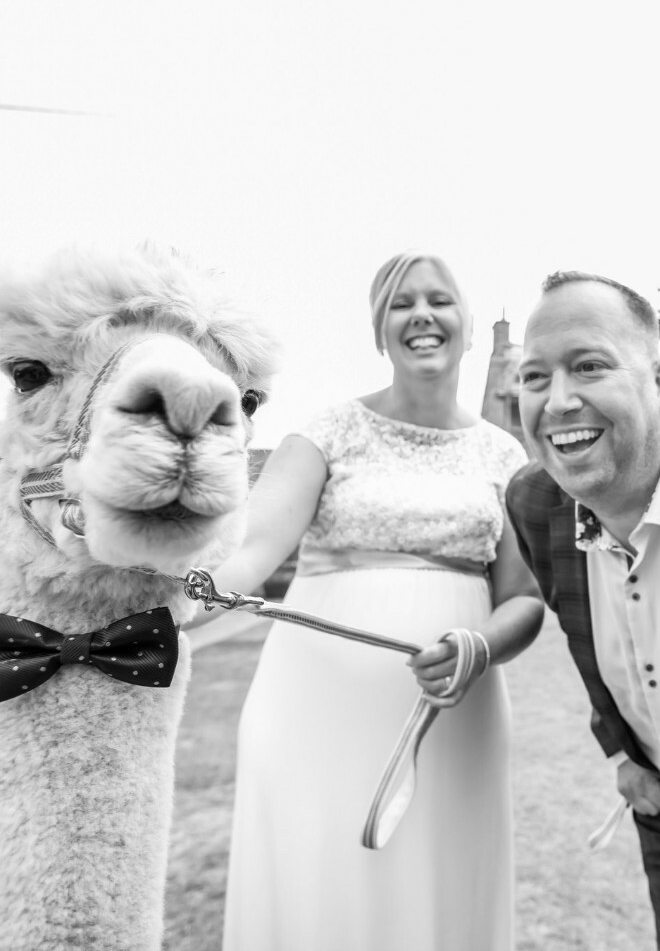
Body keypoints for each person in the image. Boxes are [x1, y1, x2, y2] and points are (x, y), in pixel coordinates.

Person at [212, 252, 544, 951]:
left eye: (439, 300)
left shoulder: (506, 456)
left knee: (440, 887)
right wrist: (194, 593)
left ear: (470, 325)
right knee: (318, 885)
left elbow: (523, 599)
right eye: (400, 303)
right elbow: (252, 551)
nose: (421, 314)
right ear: (379, 331)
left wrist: (479, 648)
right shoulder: (325, 432)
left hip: (458, 712)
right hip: (313, 708)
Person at [505, 270, 660, 945]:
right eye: (535, 378)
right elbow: (587, 639)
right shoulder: (536, 504)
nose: (558, 401)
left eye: (589, 366)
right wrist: (623, 754)